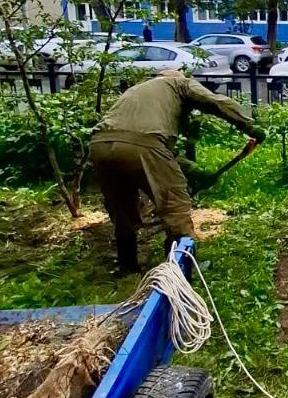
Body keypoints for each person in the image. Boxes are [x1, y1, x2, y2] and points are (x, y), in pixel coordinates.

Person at [90, 70, 266, 273]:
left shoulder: (137, 91)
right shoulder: (178, 83)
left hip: (99, 145)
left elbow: (153, 148)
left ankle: (127, 267)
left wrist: (195, 171)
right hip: (145, 146)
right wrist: (249, 127)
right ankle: (180, 269)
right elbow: (216, 102)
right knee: (175, 206)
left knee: (121, 209)